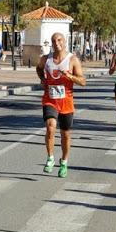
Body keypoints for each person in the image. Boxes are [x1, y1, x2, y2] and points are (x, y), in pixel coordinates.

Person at [36, 32, 86, 178]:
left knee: (65, 134)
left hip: (66, 102)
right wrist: (42, 79)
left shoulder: (73, 60)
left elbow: (83, 81)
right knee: (50, 128)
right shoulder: (46, 59)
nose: (56, 42)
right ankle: (50, 158)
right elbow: (39, 69)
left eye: (59, 40)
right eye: (54, 40)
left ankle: (64, 161)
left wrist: (69, 76)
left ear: (64, 42)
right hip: (50, 99)